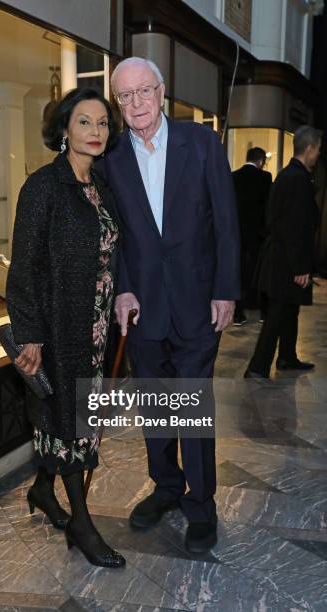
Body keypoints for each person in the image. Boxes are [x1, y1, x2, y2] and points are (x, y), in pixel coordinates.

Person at [101, 57, 240, 553]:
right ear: (117, 104)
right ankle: (166, 488)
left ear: (162, 92)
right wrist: (122, 287)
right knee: (157, 407)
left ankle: (202, 505)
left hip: (199, 302)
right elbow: (113, 238)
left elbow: (226, 222)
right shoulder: (111, 157)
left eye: (144, 92)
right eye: (125, 96)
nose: (136, 103)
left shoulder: (201, 144)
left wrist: (226, 289)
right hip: (142, 308)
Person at [6, 88, 125, 568]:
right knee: (71, 421)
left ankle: (41, 489)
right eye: (84, 122)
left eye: (102, 124)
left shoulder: (101, 185)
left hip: (94, 326)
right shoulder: (43, 186)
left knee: (77, 415)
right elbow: (24, 266)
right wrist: (29, 332)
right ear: (63, 129)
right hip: (58, 327)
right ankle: (80, 520)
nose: (96, 132)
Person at [245, 125, 321, 379]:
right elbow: (294, 227)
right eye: (318, 149)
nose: (319, 154)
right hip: (287, 261)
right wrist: (300, 267)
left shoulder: (287, 174)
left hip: (281, 257)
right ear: (309, 149)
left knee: (289, 309)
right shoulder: (297, 179)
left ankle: (287, 357)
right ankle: (257, 367)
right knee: (278, 313)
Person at [232, 147, 272, 325]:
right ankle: (263, 312)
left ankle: (238, 314)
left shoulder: (234, 176)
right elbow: (268, 208)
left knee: (238, 273)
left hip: (238, 233)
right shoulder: (265, 178)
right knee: (260, 272)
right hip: (258, 234)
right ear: (261, 161)